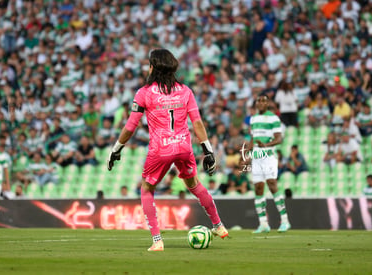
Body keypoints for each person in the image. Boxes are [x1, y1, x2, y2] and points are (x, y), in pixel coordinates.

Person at [107, 49, 228, 251]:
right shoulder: (185, 91)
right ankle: (219, 225)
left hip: (160, 149)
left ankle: (157, 241)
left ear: (152, 67)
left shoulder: (144, 93)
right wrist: (208, 151)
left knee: (146, 189)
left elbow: (131, 126)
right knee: (194, 184)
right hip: (183, 146)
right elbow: (197, 122)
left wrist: (116, 149)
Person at [240, 94, 291, 233]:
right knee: (258, 188)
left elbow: (279, 138)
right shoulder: (253, 118)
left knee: (272, 185)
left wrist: (266, 145)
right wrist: (246, 154)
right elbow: (253, 138)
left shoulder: (274, 118)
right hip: (257, 157)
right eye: (259, 101)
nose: (261, 103)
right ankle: (263, 223)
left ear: (268, 104)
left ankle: (285, 220)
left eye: (264, 101)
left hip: (269, 156)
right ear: (256, 103)